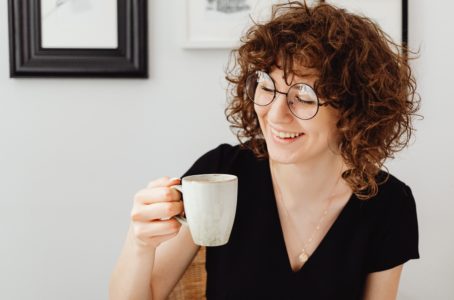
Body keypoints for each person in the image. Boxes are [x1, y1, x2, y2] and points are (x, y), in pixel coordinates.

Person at [109, 1, 421, 299]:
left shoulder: (388, 204)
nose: (274, 114)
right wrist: (140, 244)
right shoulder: (222, 173)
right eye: (267, 87)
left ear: (351, 110)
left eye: (304, 97)